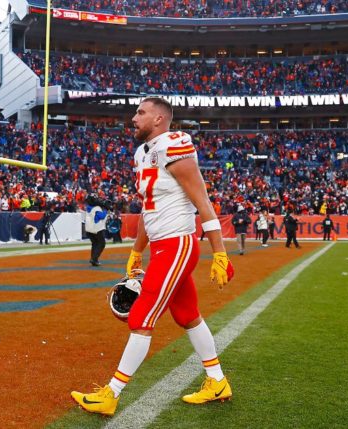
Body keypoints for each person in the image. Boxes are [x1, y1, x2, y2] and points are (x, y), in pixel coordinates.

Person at [71, 97, 235, 416]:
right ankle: (217, 380)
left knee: (141, 316)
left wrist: (220, 251)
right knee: (187, 314)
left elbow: (203, 201)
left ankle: (111, 393)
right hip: (162, 244)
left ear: (159, 119)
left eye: (141, 112)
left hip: (177, 243)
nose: (134, 117)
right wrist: (136, 252)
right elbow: (148, 209)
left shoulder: (175, 144)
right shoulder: (142, 153)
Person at [84, 195, 107, 266]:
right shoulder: (96, 208)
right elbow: (102, 216)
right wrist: (106, 209)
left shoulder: (88, 208)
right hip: (97, 228)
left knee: (95, 244)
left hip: (89, 229)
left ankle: (94, 259)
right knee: (102, 243)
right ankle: (94, 259)